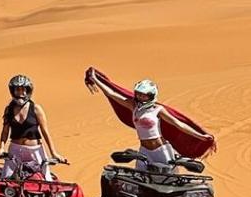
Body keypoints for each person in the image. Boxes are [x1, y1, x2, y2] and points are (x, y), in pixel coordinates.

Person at [84, 67, 216, 169]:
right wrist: (95, 79)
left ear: (151, 96)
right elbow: (111, 93)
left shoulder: (157, 109)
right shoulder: (133, 106)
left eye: (144, 95)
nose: (141, 97)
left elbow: (178, 124)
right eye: (139, 94)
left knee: (166, 181)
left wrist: (200, 136)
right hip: (144, 150)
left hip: (161, 150)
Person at [0, 75, 65, 179]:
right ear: (13, 91)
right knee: (5, 179)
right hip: (15, 150)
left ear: (28, 90)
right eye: (17, 90)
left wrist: (54, 153)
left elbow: (44, 131)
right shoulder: (9, 109)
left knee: (45, 180)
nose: (21, 93)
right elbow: (5, 131)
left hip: (35, 150)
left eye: (23, 89)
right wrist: (1, 148)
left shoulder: (36, 109)